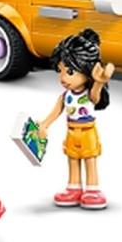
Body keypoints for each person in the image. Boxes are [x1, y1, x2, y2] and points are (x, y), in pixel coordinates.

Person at [38, 29, 114, 208]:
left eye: (70, 71)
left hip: (88, 132)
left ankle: (93, 189)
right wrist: (44, 125)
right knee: (72, 159)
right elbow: (55, 112)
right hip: (71, 132)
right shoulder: (66, 96)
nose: (63, 78)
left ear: (87, 70)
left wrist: (99, 82)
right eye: (60, 71)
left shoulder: (88, 94)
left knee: (90, 159)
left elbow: (95, 97)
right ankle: (74, 188)